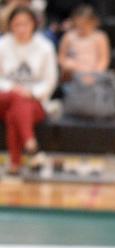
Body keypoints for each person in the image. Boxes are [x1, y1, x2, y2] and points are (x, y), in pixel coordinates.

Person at [0, 5, 56, 176]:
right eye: (17, 24)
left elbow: (50, 81)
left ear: (34, 24)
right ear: (10, 26)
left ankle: (15, 163)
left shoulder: (45, 47)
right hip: (4, 97)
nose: (21, 29)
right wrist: (12, 88)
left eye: (25, 24)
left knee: (15, 112)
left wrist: (31, 93)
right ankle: (31, 145)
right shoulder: (2, 45)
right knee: (16, 100)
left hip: (34, 102)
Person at [58, 4, 110, 83]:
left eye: (84, 25)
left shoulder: (100, 37)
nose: (81, 28)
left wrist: (94, 75)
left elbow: (103, 59)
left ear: (93, 22)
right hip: (72, 76)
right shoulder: (68, 36)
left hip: (93, 76)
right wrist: (67, 65)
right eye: (78, 25)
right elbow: (61, 57)